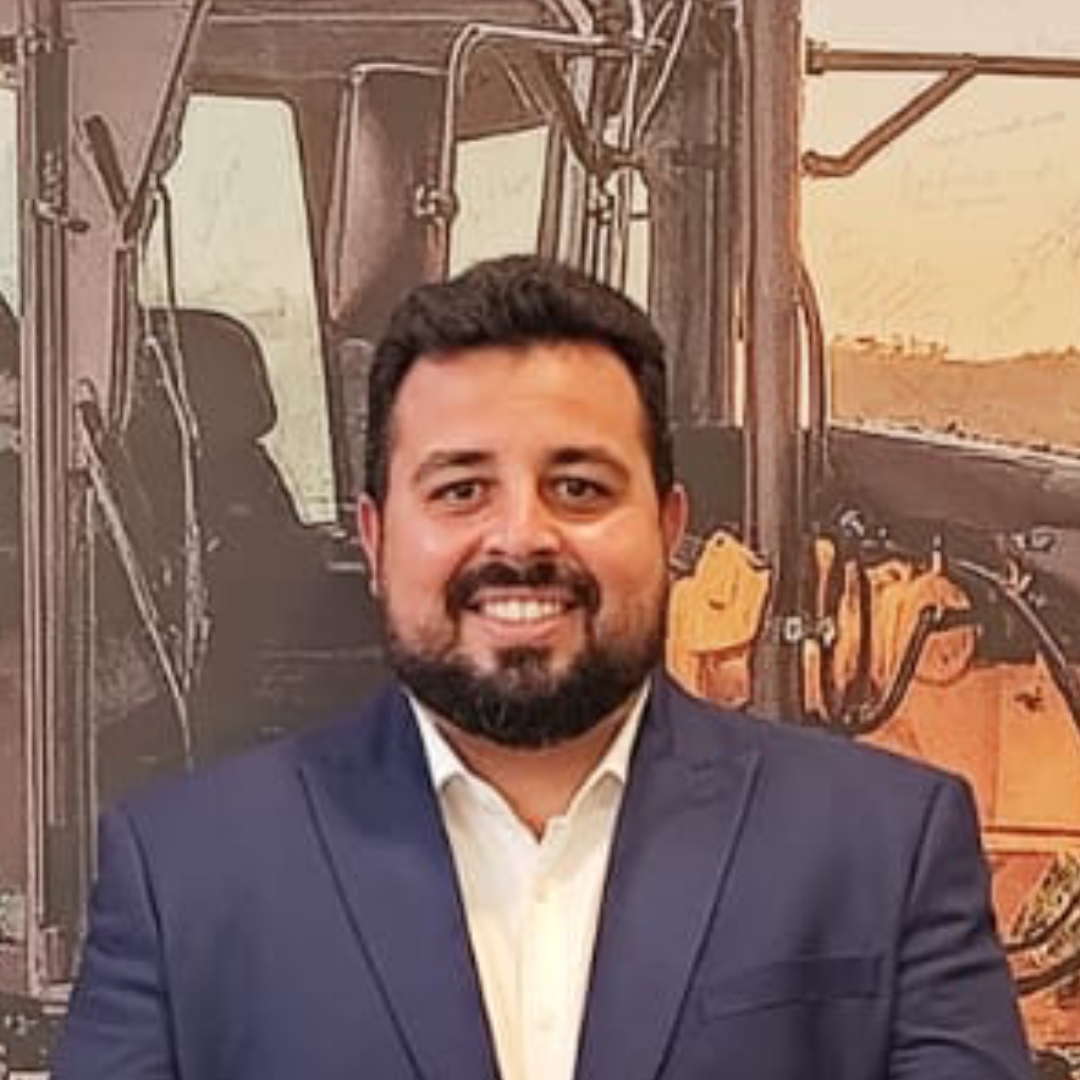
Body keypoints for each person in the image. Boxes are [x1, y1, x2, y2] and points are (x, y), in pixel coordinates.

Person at [52, 255, 1033, 1080]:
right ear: (375, 539)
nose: (521, 536)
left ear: (670, 528)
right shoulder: (184, 872)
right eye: (460, 489)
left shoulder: (885, 850)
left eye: (580, 487)